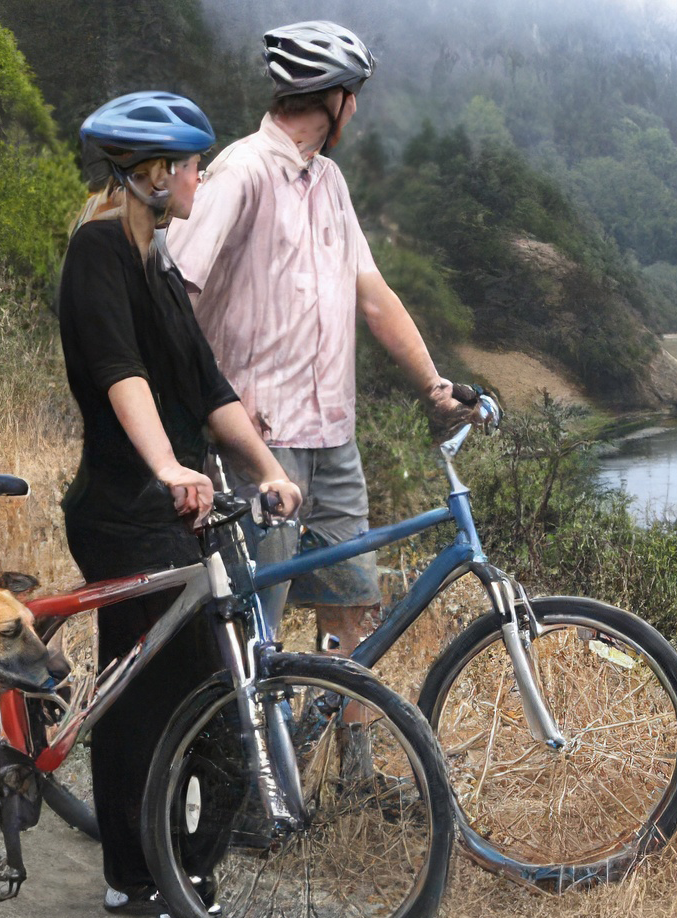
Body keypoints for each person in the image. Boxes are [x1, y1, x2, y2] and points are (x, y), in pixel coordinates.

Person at [56, 91, 302, 918]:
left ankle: (132, 875)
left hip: (170, 507)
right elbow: (121, 376)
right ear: (155, 175)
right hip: (126, 508)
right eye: (191, 163)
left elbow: (207, 386)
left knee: (136, 695)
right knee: (209, 698)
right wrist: (167, 467)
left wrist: (266, 468)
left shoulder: (155, 259)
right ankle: (185, 904)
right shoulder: (97, 253)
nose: (201, 174)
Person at [167, 20, 474, 660]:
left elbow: (374, 295)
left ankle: (349, 752)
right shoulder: (241, 172)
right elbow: (176, 291)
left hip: (334, 439)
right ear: (331, 98)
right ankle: (254, 758)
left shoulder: (328, 182)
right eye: (352, 94)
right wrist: (203, 405)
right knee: (259, 618)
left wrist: (434, 386)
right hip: (260, 440)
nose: (356, 108)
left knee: (351, 602)